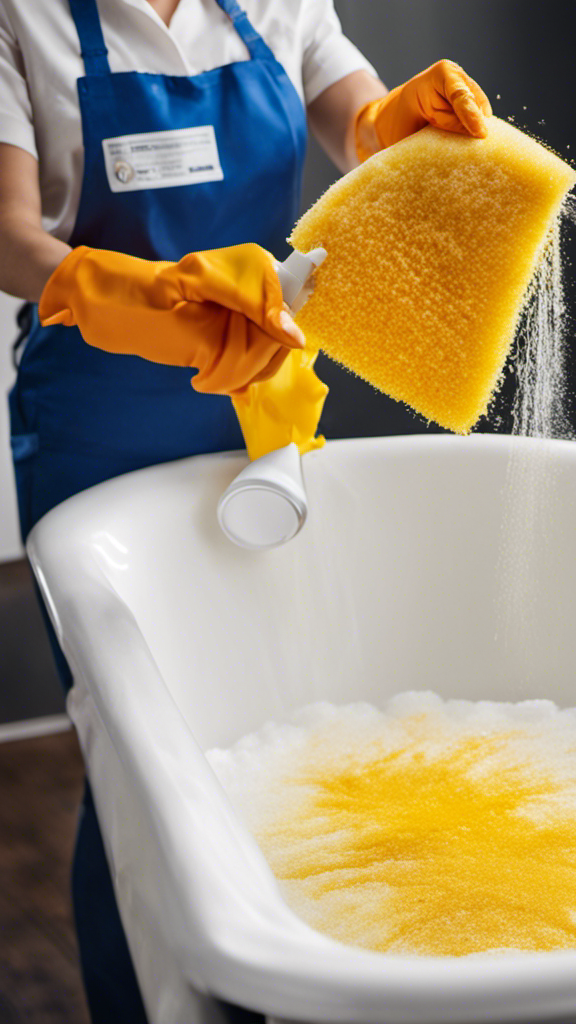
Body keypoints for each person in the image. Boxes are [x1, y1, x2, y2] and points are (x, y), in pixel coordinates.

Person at [0, 0, 491, 1019]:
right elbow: (6, 236)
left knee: (281, 706)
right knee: (138, 749)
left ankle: (300, 977)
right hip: (97, 416)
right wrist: (129, 298)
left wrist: (398, 127)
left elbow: (353, 123)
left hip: (261, 403)